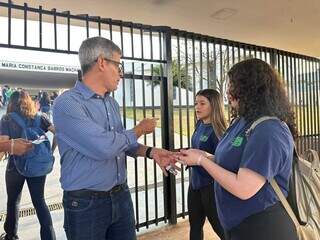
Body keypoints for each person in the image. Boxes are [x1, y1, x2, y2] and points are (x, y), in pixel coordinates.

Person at [52, 36, 175, 240]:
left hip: (120, 195)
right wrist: (139, 129)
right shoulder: (67, 104)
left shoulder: (111, 104)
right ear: (101, 62)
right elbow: (104, 146)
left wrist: (151, 152)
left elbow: (122, 144)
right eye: (118, 64)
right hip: (85, 204)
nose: (121, 73)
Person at [178, 59, 298, 240]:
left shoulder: (269, 130)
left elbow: (244, 188)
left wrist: (201, 161)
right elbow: (229, 162)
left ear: (250, 87)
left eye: (232, 84)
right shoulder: (242, 121)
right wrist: (202, 156)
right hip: (237, 225)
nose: (227, 91)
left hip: (262, 228)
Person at [0, 90, 56, 240]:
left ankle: (11, 235)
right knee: (39, 201)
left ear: (11, 103)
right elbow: (58, 132)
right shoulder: (41, 117)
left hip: (15, 166)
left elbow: (3, 144)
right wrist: (51, 151)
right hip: (38, 165)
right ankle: (49, 236)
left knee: (13, 201)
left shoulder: (7, 119)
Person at [188, 89, 226, 240]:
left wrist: (202, 158)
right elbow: (197, 151)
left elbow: (223, 161)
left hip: (211, 187)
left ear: (214, 106)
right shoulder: (199, 125)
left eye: (202, 103)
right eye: (196, 103)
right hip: (195, 185)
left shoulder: (219, 132)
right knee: (195, 225)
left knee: (219, 227)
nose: (197, 107)